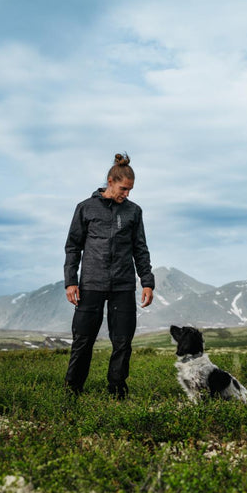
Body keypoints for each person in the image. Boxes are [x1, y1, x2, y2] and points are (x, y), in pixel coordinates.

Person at [63, 153, 154, 398]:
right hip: (91, 283)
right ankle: (72, 391)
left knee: (122, 342)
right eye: (124, 188)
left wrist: (147, 282)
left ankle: (117, 392)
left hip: (123, 285)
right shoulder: (85, 208)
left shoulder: (134, 212)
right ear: (110, 181)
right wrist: (71, 281)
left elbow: (140, 248)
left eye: (130, 190)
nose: (127, 194)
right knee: (83, 339)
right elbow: (73, 246)